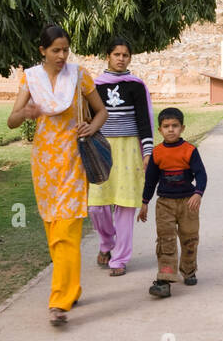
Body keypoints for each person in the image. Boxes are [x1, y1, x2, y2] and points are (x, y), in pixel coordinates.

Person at [7, 24, 107, 325]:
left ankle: (59, 301)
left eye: (65, 49)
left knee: (66, 230)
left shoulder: (80, 75)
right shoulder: (31, 78)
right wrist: (25, 114)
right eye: (56, 50)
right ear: (43, 51)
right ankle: (72, 286)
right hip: (44, 164)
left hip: (74, 159)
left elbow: (101, 110)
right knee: (53, 229)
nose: (62, 55)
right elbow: (11, 120)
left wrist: (93, 125)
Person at [88, 37, 155, 276]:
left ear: (130, 58)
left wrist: (147, 151)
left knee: (125, 205)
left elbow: (144, 121)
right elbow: (88, 120)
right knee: (97, 205)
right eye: (117, 54)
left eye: (125, 55)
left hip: (129, 150)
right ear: (108, 56)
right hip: (101, 149)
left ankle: (120, 258)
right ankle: (107, 242)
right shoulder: (93, 86)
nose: (121, 59)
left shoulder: (135, 86)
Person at [140, 107, 207, 297]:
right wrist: (145, 202)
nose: (171, 130)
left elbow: (201, 174)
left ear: (182, 128)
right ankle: (165, 279)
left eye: (175, 126)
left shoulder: (190, 150)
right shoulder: (157, 153)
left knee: (189, 239)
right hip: (165, 204)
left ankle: (188, 270)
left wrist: (198, 193)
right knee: (166, 240)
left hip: (188, 204)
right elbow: (151, 180)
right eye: (166, 126)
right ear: (160, 130)